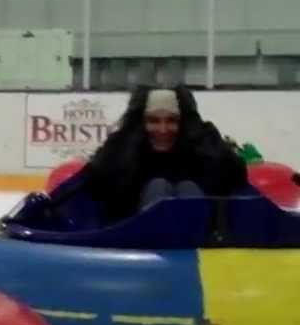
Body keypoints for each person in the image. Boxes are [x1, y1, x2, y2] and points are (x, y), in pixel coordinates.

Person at [77, 84, 248, 224]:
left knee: (188, 189)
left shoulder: (200, 146)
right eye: (153, 121)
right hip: (138, 236)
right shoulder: (122, 149)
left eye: (172, 121)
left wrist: (203, 136)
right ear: (141, 122)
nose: (163, 129)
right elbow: (94, 183)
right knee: (158, 187)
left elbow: (234, 177)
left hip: (197, 239)